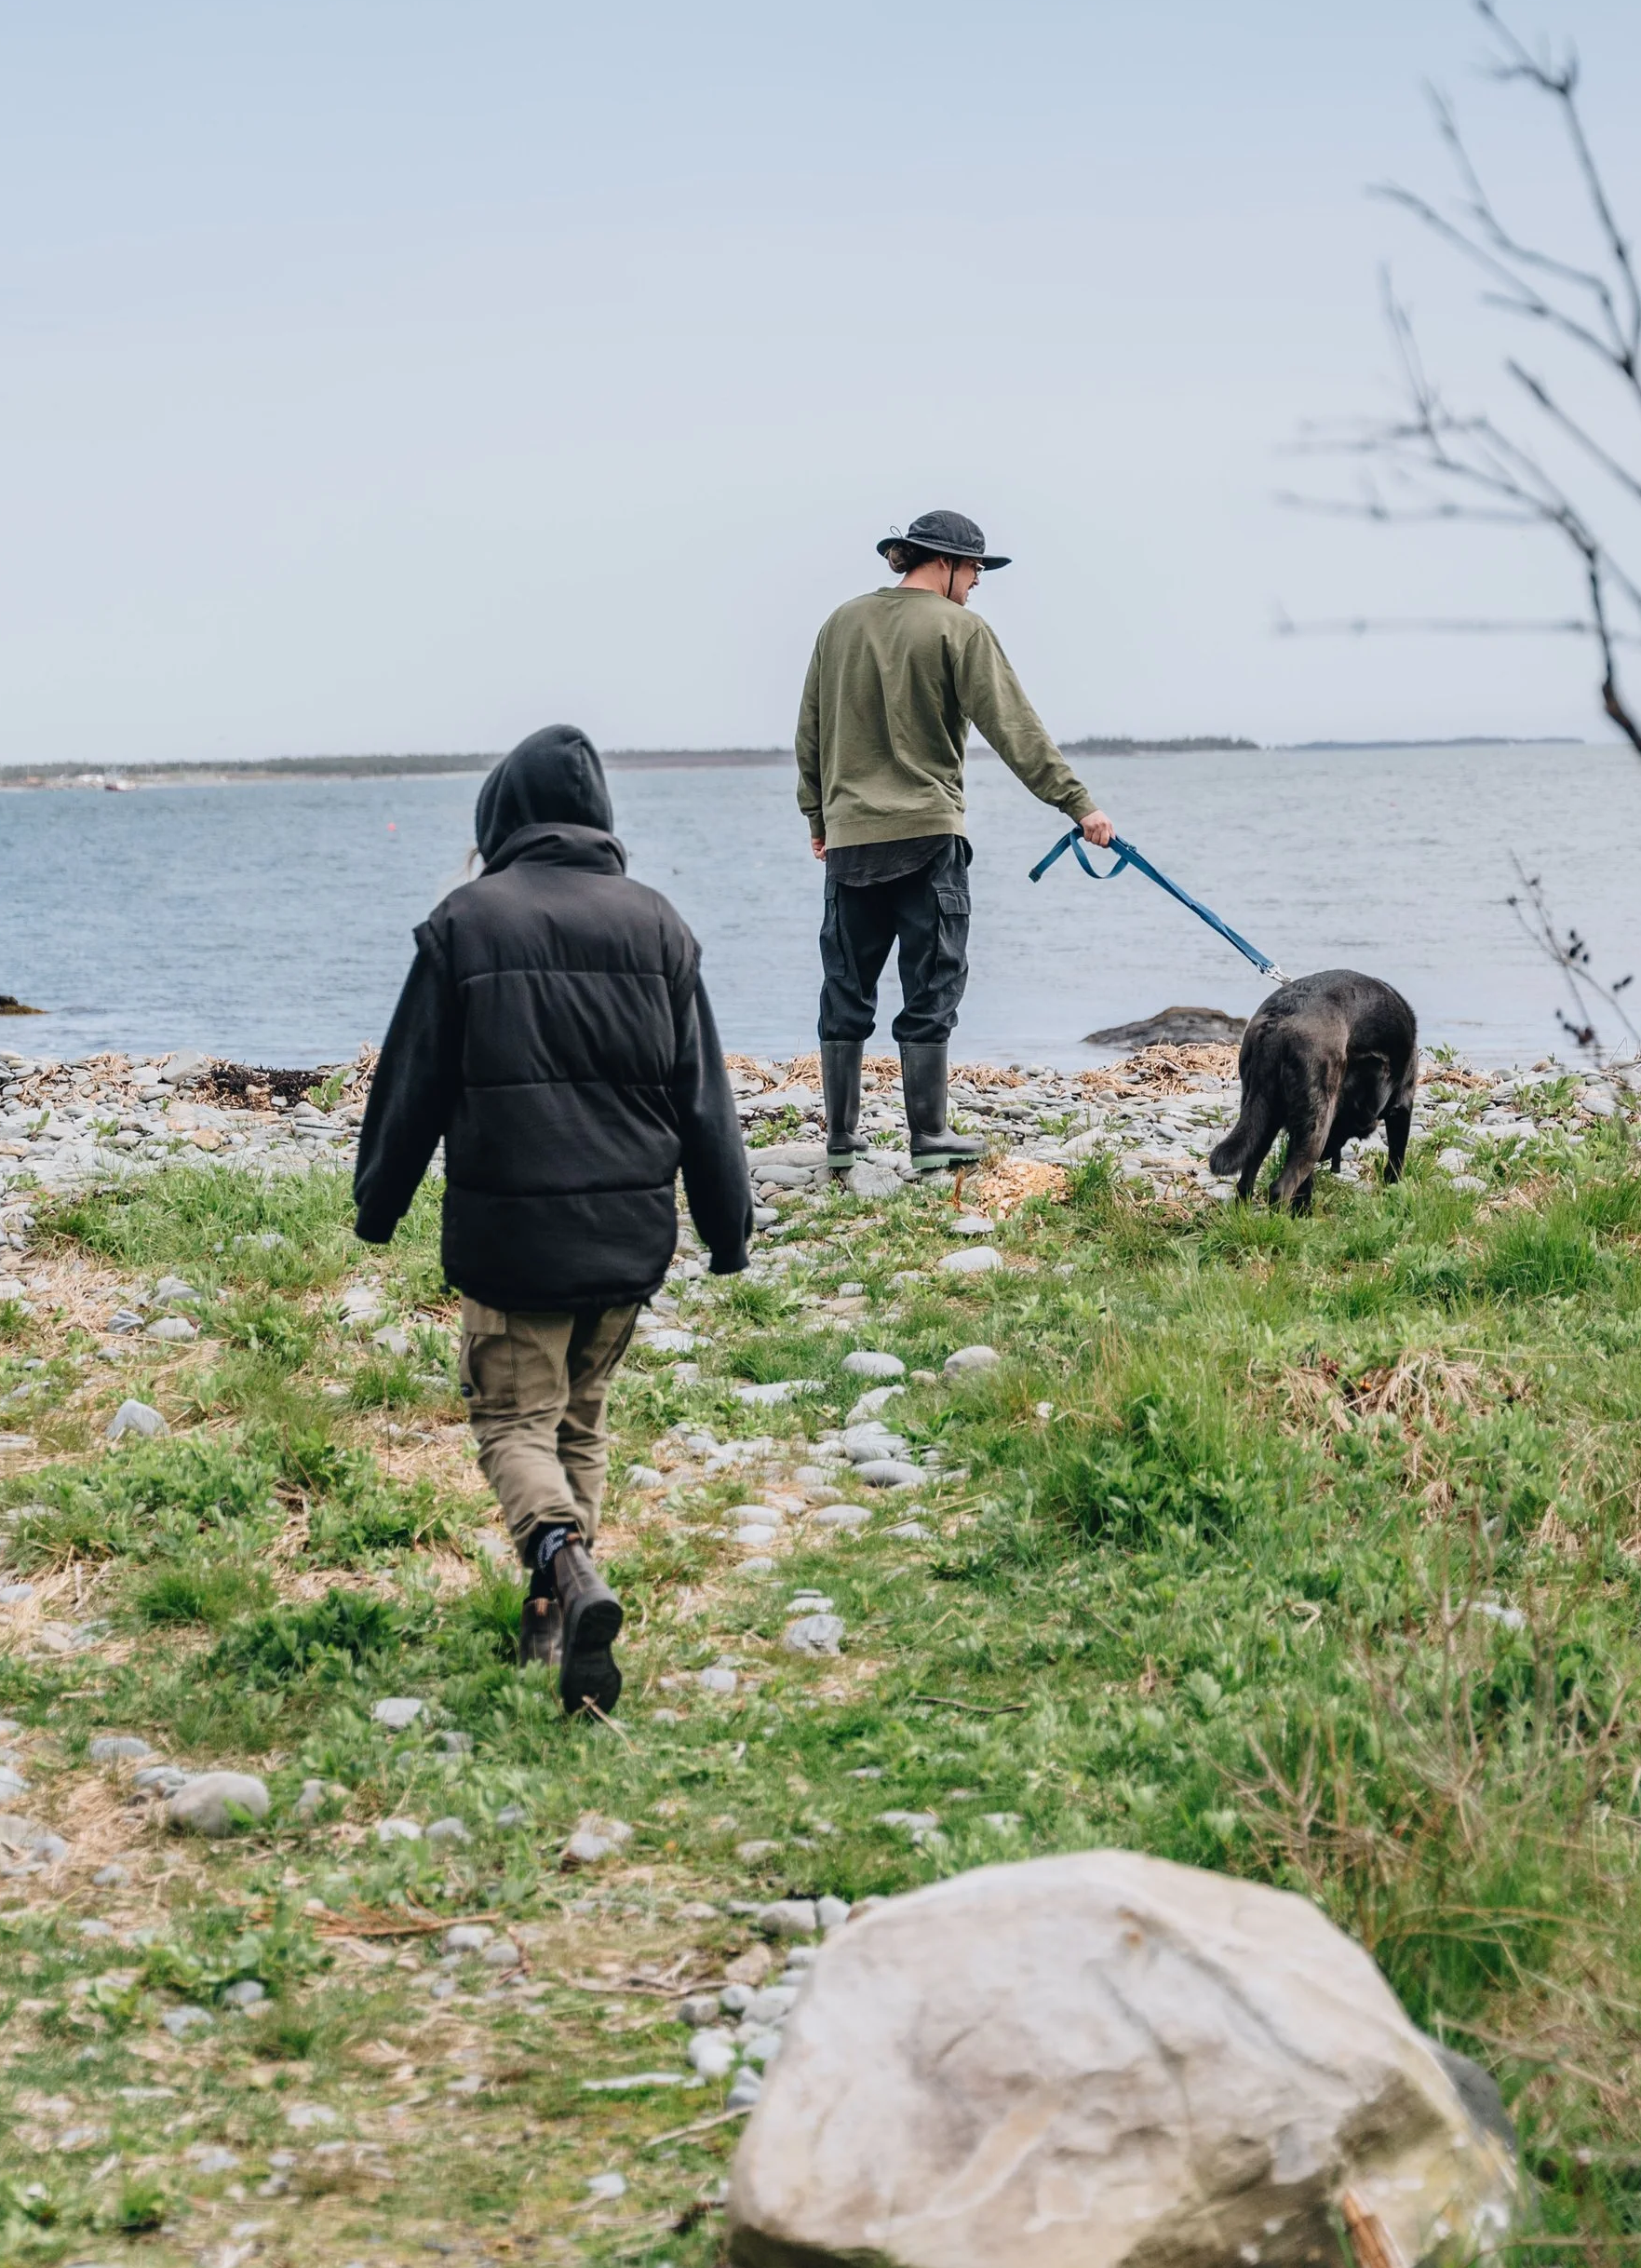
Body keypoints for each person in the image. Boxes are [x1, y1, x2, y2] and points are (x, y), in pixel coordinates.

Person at [352, 721, 754, 1715]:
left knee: (511, 1425)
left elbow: (412, 1086)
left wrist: (379, 1203)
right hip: (627, 1239)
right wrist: (727, 1226)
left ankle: (564, 1567)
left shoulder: (466, 923)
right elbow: (705, 1097)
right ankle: (558, 1629)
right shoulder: (658, 923)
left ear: (502, 818)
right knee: (581, 1423)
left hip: (512, 1243)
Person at [796, 509, 1115, 1177]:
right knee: (933, 983)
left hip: (850, 839)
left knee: (845, 986)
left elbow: (812, 729)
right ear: (943, 563)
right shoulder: (958, 628)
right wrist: (1078, 804)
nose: (975, 586)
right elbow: (1015, 729)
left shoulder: (840, 623)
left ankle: (841, 1138)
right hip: (927, 833)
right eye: (974, 571)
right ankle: (930, 1134)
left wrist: (818, 819)